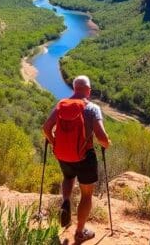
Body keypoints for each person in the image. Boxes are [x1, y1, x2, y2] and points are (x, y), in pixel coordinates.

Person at [42, 75, 111, 244]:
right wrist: (106, 143)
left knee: (68, 177)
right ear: (88, 90)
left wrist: (54, 143)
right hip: (84, 156)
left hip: (63, 154)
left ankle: (66, 201)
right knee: (86, 195)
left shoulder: (61, 104)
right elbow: (101, 136)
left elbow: (46, 128)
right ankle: (80, 232)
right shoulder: (92, 108)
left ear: (74, 89)